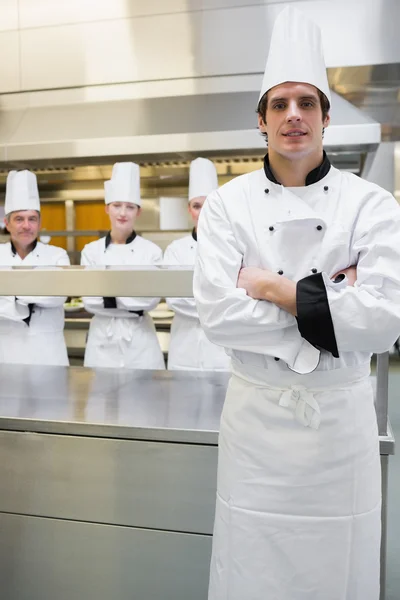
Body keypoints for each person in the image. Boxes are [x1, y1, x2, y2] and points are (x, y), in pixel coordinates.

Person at [193, 7, 400, 600]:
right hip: (256, 429)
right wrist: (334, 305)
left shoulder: (372, 205)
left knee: (340, 568)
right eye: (279, 104)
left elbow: (384, 322)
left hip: (339, 430)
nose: (293, 116)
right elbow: (217, 315)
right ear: (260, 120)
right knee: (250, 565)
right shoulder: (228, 207)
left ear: (326, 116)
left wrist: (272, 287)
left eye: (306, 103)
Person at [81, 162, 165, 370]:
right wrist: (132, 294)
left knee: (144, 400)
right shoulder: (91, 251)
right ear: (107, 208)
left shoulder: (152, 251)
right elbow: (90, 301)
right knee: (101, 400)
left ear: (138, 212)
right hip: (101, 341)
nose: (123, 213)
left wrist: (108, 293)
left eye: (130, 207)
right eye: (117, 205)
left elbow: (150, 300)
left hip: (140, 342)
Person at [163, 158, 230, 371]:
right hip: (184, 346)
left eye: (209, 204)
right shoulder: (175, 250)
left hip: (222, 349)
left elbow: (235, 298)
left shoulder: (233, 247)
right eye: (197, 206)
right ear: (189, 210)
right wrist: (214, 302)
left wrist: (195, 298)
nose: (203, 212)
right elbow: (174, 300)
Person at [0, 170, 70, 366]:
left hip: (48, 351)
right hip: (6, 351)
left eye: (32, 219)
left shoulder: (57, 255)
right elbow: (47, 294)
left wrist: (12, 296)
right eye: (19, 219)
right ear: (7, 223)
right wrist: (38, 290)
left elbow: (59, 295)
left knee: (52, 396)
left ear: (39, 223)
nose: (26, 226)